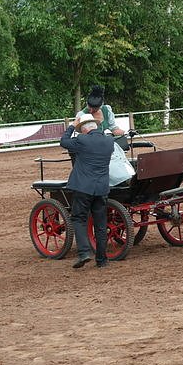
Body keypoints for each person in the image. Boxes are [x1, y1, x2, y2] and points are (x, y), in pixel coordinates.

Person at [60, 113, 115, 268]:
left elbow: (63, 142)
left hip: (83, 187)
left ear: (84, 129)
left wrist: (71, 126)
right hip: (102, 188)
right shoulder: (109, 141)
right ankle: (102, 260)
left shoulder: (82, 140)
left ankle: (84, 253)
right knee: (100, 224)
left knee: (78, 219)